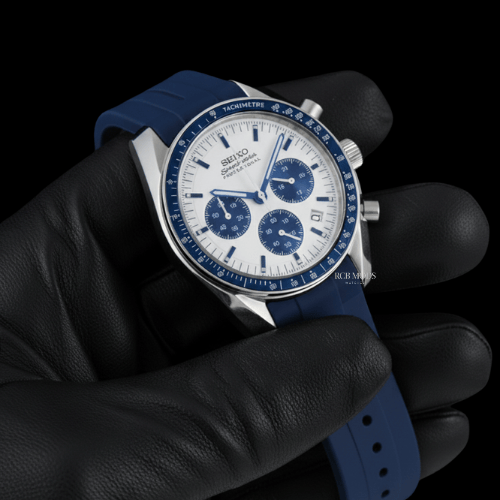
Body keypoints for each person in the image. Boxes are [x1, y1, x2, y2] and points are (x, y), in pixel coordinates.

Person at [0, 71, 491, 499]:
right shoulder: (159, 168)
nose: (259, 196)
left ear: (340, 159)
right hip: (261, 282)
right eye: (239, 202)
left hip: (326, 252)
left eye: (273, 183)